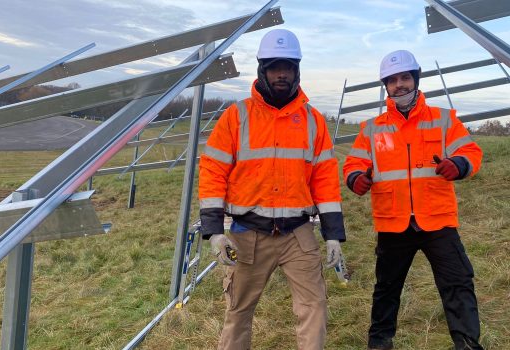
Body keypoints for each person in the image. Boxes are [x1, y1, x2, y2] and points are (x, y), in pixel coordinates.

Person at [198, 28, 346, 350]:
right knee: (238, 311)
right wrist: (214, 231)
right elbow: (212, 171)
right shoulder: (236, 116)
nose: (282, 74)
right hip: (248, 232)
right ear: (262, 69)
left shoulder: (313, 121)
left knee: (314, 307)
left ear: (297, 71)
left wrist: (333, 233)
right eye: (275, 66)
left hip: (298, 233)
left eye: (288, 67)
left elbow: (324, 180)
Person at [343, 49, 484, 350]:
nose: (400, 85)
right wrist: (357, 178)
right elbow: (352, 164)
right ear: (386, 86)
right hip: (393, 223)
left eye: (405, 77)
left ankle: (468, 345)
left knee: (458, 286)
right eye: (392, 80)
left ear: (416, 80)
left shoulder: (443, 120)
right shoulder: (372, 128)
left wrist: (458, 165)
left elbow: (471, 152)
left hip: (437, 219)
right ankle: (379, 345)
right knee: (386, 290)